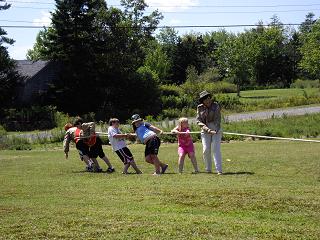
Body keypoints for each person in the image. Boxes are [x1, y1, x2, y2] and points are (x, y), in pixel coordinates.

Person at [196, 90, 223, 175]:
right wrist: (207, 130)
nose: (208, 100)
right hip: (205, 129)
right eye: (205, 99)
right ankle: (208, 169)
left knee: (216, 149)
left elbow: (217, 119)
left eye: (208, 98)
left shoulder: (216, 106)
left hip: (215, 128)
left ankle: (219, 170)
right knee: (206, 149)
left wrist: (215, 129)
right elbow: (198, 121)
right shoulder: (199, 107)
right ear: (203, 101)